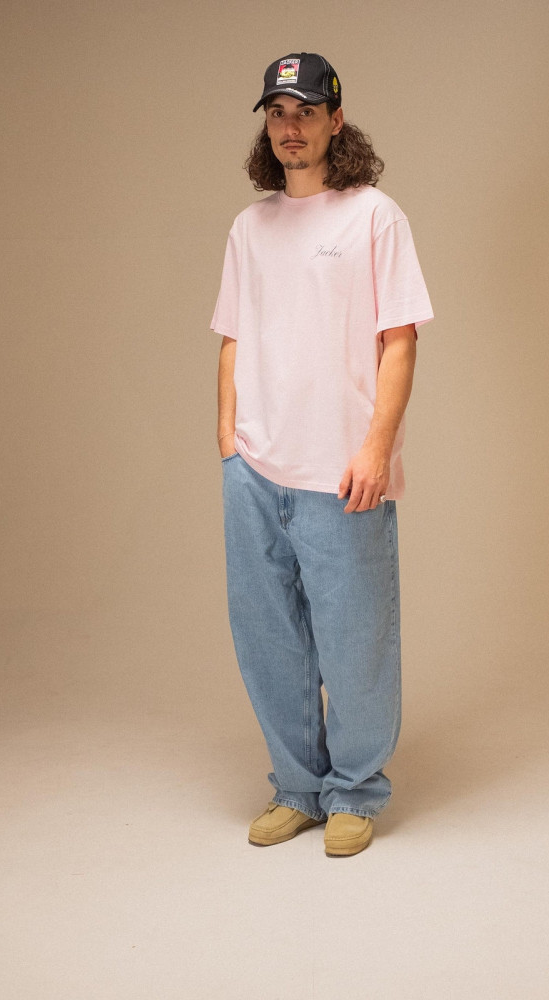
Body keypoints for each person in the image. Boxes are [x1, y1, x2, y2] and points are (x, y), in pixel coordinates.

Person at [211, 52, 433, 857]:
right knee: (268, 639)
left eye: (305, 111)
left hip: (343, 470)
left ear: (336, 120)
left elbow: (400, 341)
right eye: (277, 113)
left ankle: (355, 793)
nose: (290, 127)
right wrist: (229, 441)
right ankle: (298, 789)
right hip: (256, 468)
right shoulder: (250, 227)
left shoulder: (374, 217)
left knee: (356, 639)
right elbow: (233, 337)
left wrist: (376, 449)